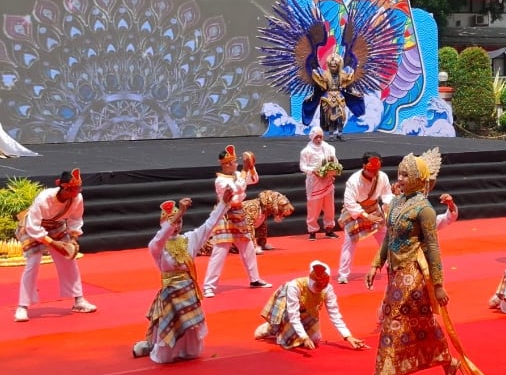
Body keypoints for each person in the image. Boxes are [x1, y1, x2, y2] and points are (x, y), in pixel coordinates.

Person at [365, 152, 502, 375]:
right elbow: (388, 237)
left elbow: (433, 249)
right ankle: (449, 364)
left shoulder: (424, 209)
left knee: (391, 320)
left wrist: (438, 285)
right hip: (394, 272)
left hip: (414, 273)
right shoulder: (395, 203)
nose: (400, 179)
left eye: (406, 175)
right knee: (422, 324)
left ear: (419, 179)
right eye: (400, 174)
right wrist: (376, 264)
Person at [132, 190, 232, 363]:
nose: (176, 225)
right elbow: (160, 238)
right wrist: (180, 212)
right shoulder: (157, 246)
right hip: (171, 295)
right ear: (162, 223)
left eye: (179, 221)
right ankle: (152, 346)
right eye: (172, 221)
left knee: (193, 351)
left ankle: (165, 346)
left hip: (188, 293)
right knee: (163, 358)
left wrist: (223, 204)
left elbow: (209, 225)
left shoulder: (189, 238)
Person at [14, 169, 97, 322]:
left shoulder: (77, 198)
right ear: (64, 187)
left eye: (79, 189)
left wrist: (72, 239)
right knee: (33, 263)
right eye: (74, 189)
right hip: (34, 227)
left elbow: (75, 220)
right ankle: (22, 306)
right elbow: (33, 226)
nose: (77, 192)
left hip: (57, 227)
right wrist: (53, 244)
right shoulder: (44, 198)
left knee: (69, 260)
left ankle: (79, 301)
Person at [254, 260, 369, 351]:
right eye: (316, 284)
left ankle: (294, 331)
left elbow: (335, 315)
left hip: (309, 310)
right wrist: (304, 337)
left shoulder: (327, 289)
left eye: (323, 285)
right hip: (288, 309)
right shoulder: (295, 286)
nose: (319, 288)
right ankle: (272, 327)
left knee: (315, 340)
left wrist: (348, 336)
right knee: (288, 342)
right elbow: (293, 314)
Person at [202, 145, 271, 297]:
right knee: (220, 250)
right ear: (226, 164)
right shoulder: (220, 180)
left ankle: (255, 279)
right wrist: (245, 170)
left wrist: (251, 167)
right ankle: (209, 286)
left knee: (248, 247)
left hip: (238, 212)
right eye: (233, 162)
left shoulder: (238, 174)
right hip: (225, 214)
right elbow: (237, 189)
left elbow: (254, 179)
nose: (236, 164)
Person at [337, 152, 395, 285]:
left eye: (376, 170)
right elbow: (349, 203)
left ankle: (391, 267)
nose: (374, 172)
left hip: (374, 209)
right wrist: (366, 216)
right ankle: (343, 274)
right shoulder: (353, 181)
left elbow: (387, 194)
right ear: (364, 166)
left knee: (386, 238)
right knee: (350, 241)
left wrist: (387, 205)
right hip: (356, 211)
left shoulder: (383, 177)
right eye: (371, 170)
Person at [299, 126, 341, 241]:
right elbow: (302, 166)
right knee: (314, 208)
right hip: (314, 183)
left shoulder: (329, 148)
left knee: (329, 207)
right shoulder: (306, 151)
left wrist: (333, 172)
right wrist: (313, 171)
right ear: (312, 137)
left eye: (320, 137)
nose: (319, 139)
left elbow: (335, 161)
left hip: (327, 182)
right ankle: (312, 231)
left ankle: (329, 229)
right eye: (316, 137)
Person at [311, 51, 361, 141]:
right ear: (329, 65)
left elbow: (349, 87)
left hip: (339, 96)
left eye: (335, 65)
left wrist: (355, 92)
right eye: (331, 65)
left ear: (338, 65)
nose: (333, 66)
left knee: (341, 117)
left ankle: (340, 134)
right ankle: (331, 135)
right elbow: (318, 86)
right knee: (330, 118)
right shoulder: (325, 75)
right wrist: (312, 95)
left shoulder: (342, 75)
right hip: (328, 97)